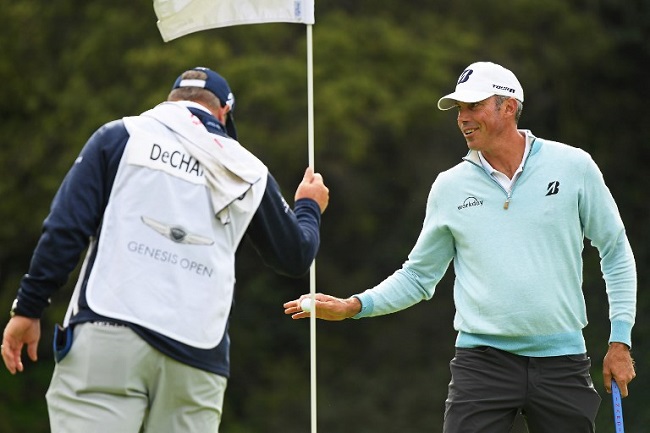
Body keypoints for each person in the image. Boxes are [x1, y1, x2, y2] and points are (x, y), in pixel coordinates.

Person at [284, 61, 636, 433]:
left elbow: (615, 251)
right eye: (459, 109)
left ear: (509, 107)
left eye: (473, 106)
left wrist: (620, 340)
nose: (463, 118)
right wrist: (355, 305)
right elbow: (419, 276)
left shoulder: (573, 167)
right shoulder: (450, 187)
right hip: (483, 365)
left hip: (562, 360)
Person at [1, 66, 329, 433]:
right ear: (224, 112)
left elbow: (65, 229)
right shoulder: (248, 168)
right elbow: (296, 255)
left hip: (109, 328)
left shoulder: (119, 135)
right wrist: (308, 207)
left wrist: (28, 308)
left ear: (172, 100)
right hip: (198, 352)